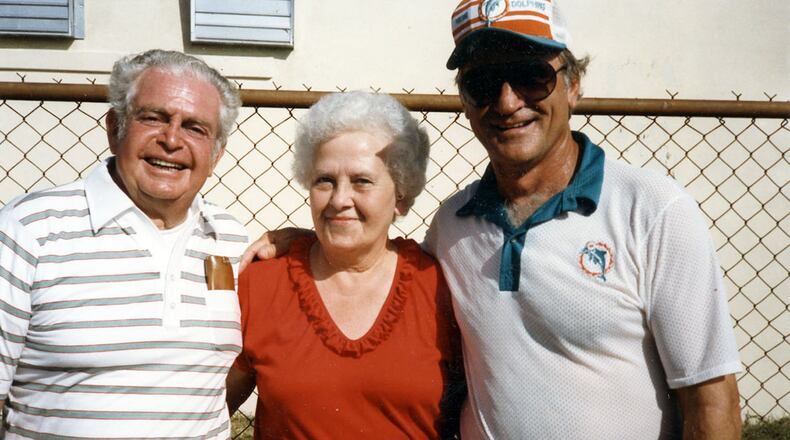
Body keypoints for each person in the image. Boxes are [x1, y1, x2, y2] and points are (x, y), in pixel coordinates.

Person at [243, 1, 743, 438]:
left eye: (531, 76)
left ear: (573, 86)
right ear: (465, 101)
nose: (507, 102)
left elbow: (711, 397)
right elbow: (368, 256)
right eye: (483, 83)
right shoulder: (453, 226)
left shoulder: (653, 210)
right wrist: (307, 241)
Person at [0, 49, 248, 438]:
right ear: (115, 128)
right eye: (153, 118)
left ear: (216, 154)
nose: (171, 140)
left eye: (195, 128)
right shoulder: (29, 229)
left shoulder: (232, 241)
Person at [226, 91, 464, 439]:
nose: (339, 200)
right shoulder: (262, 283)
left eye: (361, 181)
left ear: (401, 194)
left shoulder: (440, 286)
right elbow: (206, 411)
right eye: (324, 180)